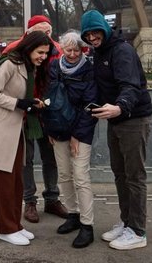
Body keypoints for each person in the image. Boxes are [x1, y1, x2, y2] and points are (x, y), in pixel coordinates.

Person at [81, 10, 152, 251]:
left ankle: (138, 231)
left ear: (104, 28)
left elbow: (131, 86)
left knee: (134, 176)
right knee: (120, 174)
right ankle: (127, 223)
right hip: (116, 118)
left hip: (132, 118)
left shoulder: (121, 51)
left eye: (95, 32)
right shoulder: (99, 52)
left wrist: (119, 107)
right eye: (87, 34)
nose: (91, 37)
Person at [0, 31, 53, 246]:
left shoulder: (27, 66)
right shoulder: (10, 64)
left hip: (16, 130)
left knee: (16, 179)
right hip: (2, 130)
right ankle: (5, 228)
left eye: (46, 53)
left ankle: (15, 225)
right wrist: (20, 103)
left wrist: (30, 102)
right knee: (4, 182)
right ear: (29, 48)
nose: (43, 57)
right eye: (40, 52)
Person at [4, 15, 68, 223]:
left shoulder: (58, 52)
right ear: (30, 34)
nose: (45, 37)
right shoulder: (14, 51)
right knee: (26, 159)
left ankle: (51, 198)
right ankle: (29, 200)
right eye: (41, 32)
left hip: (48, 112)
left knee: (51, 158)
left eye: (48, 32)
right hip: (24, 113)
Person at [46, 30, 98, 248]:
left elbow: (91, 104)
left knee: (80, 175)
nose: (74, 54)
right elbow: (49, 98)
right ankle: (73, 215)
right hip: (58, 128)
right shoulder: (54, 67)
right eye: (69, 50)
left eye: (77, 49)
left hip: (81, 130)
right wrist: (49, 127)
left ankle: (87, 225)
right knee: (65, 174)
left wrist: (77, 134)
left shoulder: (89, 69)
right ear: (62, 49)